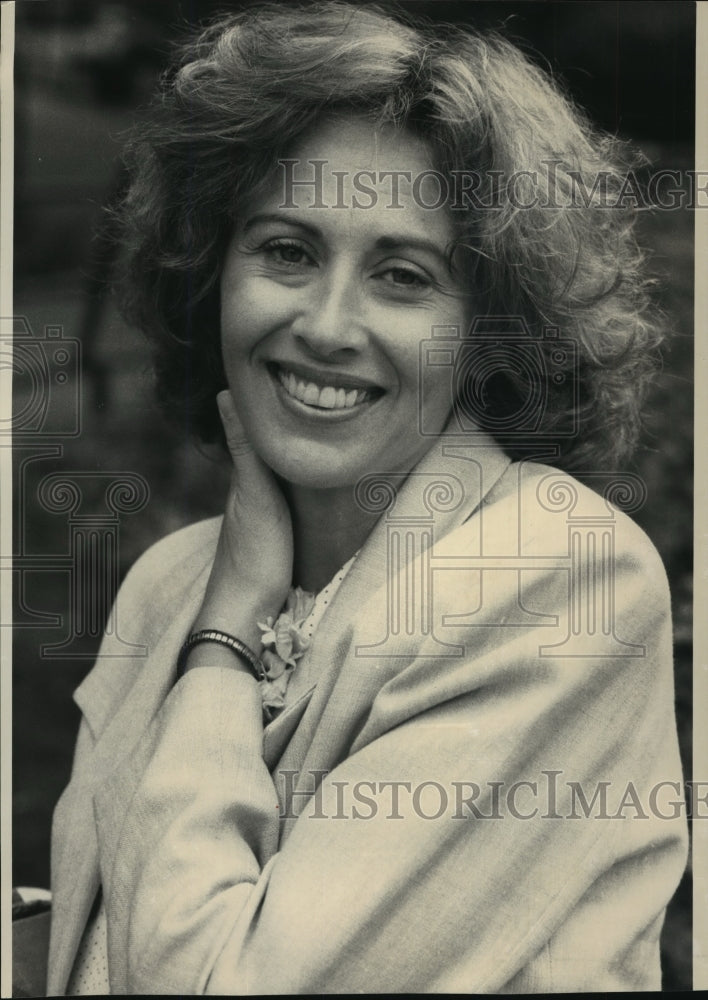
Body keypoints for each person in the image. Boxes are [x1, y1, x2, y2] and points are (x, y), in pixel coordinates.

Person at [47, 2, 688, 994]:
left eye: (402, 274)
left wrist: (223, 644)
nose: (327, 325)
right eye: (288, 252)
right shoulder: (164, 586)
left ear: (489, 330)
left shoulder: (560, 578)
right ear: (211, 272)